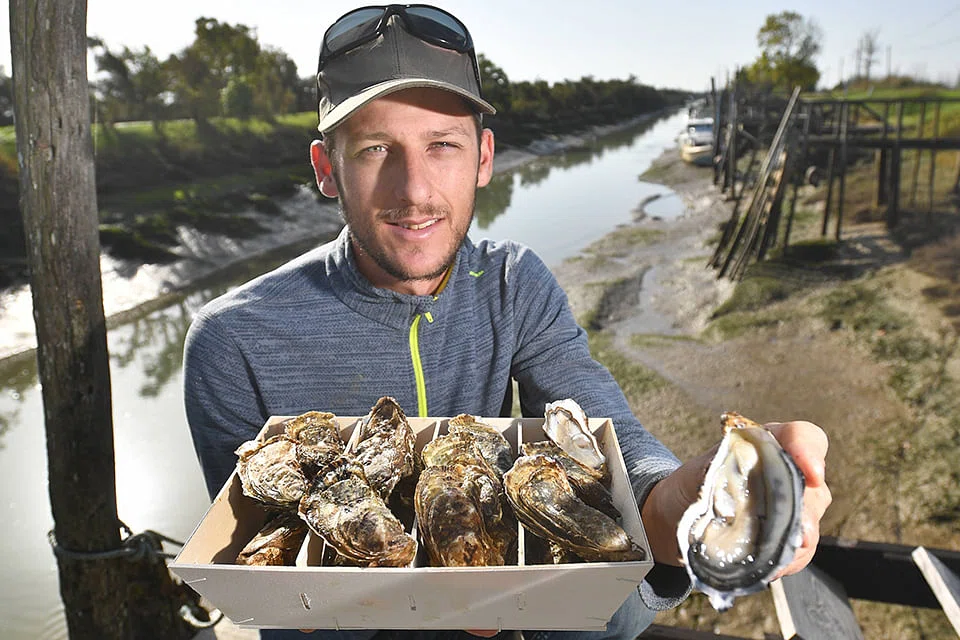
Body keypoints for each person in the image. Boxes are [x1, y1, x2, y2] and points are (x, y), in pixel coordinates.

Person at [182, 5, 832, 640]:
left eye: (443, 145)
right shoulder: (231, 343)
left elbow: (602, 424)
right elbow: (269, 559)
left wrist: (671, 505)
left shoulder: (513, 282)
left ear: (484, 158)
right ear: (328, 169)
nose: (415, 190)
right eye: (376, 149)